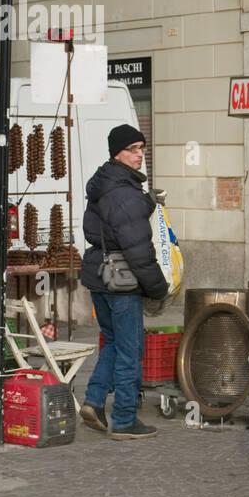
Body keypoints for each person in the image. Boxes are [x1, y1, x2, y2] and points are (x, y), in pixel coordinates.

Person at [78, 125, 168, 438]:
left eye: (142, 148)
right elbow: (137, 249)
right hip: (122, 280)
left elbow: (118, 219)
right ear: (117, 152)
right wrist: (158, 287)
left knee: (113, 342)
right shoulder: (124, 192)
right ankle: (126, 419)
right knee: (131, 349)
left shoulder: (108, 183)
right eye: (132, 149)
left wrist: (147, 202)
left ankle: (93, 401)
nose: (139, 155)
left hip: (98, 274)